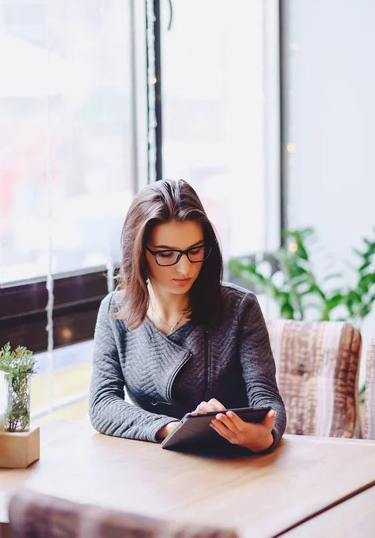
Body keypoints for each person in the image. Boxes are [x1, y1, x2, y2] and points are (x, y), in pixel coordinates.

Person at [89, 179, 286, 453]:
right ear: (138, 253)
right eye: (166, 254)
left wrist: (265, 436)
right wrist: (173, 429)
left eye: (194, 251)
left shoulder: (240, 308)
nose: (184, 268)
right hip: (157, 465)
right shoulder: (115, 311)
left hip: (232, 463)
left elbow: (267, 399)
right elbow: (102, 404)